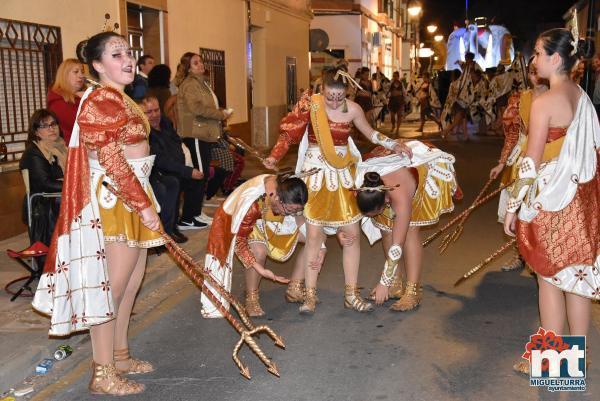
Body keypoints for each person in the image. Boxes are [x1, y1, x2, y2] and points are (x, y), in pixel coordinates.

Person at [32, 31, 164, 396]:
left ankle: (119, 356)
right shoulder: (101, 101)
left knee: (132, 284)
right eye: (117, 54)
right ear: (97, 65)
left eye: (129, 53)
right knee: (111, 291)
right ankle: (102, 372)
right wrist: (143, 206)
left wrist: (144, 200)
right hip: (115, 201)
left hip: (134, 193)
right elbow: (111, 160)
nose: (128, 60)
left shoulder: (119, 98)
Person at [263, 67, 412, 314]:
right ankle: (309, 296)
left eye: (339, 96)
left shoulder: (353, 110)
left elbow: (371, 133)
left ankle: (351, 294)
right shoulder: (311, 104)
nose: (333, 101)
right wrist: (274, 155)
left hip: (342, 177)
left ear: (347, 93)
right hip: (316, 177)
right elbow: (290, 132)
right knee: (313, 238)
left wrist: (394, 144)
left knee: (351, 236)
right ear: (322, 89)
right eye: (329, 95)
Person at [503, 28, 600, 374]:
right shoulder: (580, 94)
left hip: (552, 200)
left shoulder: (544, 102)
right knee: (576, 280)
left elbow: (529, 162)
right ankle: (578, 355)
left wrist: (513, 207)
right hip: (582, 198)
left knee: (549, 278)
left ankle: (551, 360)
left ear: (555, 58)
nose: (533, 61)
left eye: (538, 54)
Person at [201, 173, 324, 318]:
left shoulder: (289, 194)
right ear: (278, 198)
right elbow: (240, 242)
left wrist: (321, 249)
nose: (294, 213)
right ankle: (251, 298)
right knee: (258, 251)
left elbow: (306, 226)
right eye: (291, 210)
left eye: (297, 210)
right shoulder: (254, 205)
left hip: (279, 227)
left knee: (315, 238)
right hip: (254, 227)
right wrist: (261, 270)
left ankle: (295, 288)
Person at [356, 141, 458, 311]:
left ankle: (413, 290)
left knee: (409, 232)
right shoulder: (365, 184)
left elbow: (398, 244)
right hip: (389, 161)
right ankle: (396, 281)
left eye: (378, 210)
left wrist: (383, 282)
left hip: (420, 172)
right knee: (385, 227)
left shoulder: (400, 195)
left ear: (387, 200)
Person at [489, 59, 548, 272]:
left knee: (541, 211)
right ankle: (518, 254)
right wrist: (502, 162)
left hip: (549, 162)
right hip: (521, 160)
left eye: (537, 70)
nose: (535, 75)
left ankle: (539, 256)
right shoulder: (519, 99)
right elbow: (512, 135)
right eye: (531, 71)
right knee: (514, 210)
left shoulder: (558, 98)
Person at [175, 52, 232, 229]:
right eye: (195, 63)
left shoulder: (202, 82)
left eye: (200, 62)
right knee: (198, 175)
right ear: (188, 67)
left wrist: (219, 112)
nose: (200, 65)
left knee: (203, 173)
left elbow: (208, 105)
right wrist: (220, 114)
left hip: (204, 134)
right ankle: (188, 218)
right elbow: (197, 108)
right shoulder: (190, 84)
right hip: (195, 134)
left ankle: (196, 212)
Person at [142, 95, 205, 241]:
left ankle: (186, 219)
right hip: (157, 171)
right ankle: (167, 230)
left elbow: (177, 143)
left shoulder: (165, 122)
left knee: (199, 178)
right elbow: (160, 161)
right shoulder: (146, 132)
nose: (154, 115)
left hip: (174, 167)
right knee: (173, 182)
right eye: (149, 112)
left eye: (156, 110)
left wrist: (186, 168)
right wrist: (187, 171)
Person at [19, 109, 67, 248]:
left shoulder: (62, 148)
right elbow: (45, 183)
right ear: (35, 131)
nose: (51, 129)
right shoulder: (33, 153)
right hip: (44, 205)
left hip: (59, 198)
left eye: (53, 124)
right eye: (44, 126)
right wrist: (75, 185)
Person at [47, 58, 86, 145]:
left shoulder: (83, 94)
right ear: (65, 75)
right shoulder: (57, 99)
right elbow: (77, 124)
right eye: (76, 72)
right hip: (69, 149)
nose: (81, 76)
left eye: (82, 72)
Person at [388, 71, 406, 135]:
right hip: (392, 100)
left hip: (399, 100)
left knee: (399, 115)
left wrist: (404, 99)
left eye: (396, 76)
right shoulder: (391, 83)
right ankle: (393, 125)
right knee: (392, 116)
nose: (394, 77)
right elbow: (388, 90)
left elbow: (404, 92)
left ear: (398, 76)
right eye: (393, 76)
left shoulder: (401, 83)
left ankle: (397, 129)